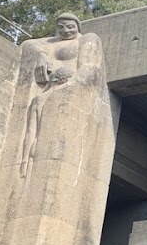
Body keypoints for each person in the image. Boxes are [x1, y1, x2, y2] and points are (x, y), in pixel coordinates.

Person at [19, 13, 104, 178]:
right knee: (36, 103)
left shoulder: (87, 39)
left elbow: (88, 70)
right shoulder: (51, 42)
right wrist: (41, 56)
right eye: (61, 27)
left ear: (77, 27)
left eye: (70, 27)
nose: (65, 31)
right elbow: (27, 45)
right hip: (50, 87)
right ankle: (24, 160)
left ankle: (35, 148)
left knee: (44, 105)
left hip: (66, 90)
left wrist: (67, 85)